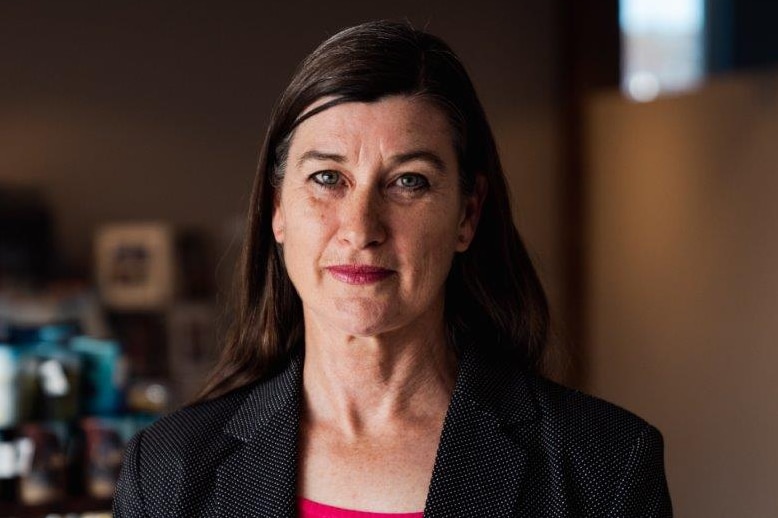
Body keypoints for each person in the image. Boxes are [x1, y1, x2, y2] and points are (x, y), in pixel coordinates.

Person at [113, 20, 672, 517]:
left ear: (466, 215)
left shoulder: (603, 468)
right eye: (327, 178)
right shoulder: (167, 473)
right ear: (277, 209)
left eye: (409, 182)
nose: (361, 228)